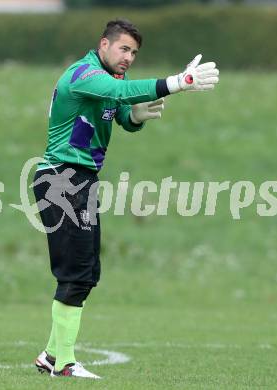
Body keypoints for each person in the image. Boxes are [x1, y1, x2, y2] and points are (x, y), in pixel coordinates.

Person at [33, 18, 219, 379]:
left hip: (81, 180)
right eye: (123, 48)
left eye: (134, 52)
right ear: (104, 45)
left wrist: (135, 117)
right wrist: (179, 83)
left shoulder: (110, 81)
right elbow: (119, 94)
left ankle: (52, 356)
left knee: (87, 272)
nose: (129, 57)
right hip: (61, 178)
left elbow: (122, 113)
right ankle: (65, 365)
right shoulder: (84, 74)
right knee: (76, 273)